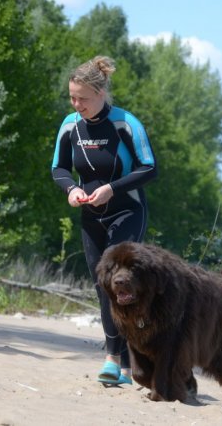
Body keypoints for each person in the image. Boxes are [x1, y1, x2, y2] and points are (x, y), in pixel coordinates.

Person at [51, 56, 157, 385]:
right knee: (102, 286)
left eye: (82, 97)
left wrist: (112, 188)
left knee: (121, 283)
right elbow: (59, 168)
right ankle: (118, 362)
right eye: (72, 97)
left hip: (127, 210)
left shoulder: (125, 124)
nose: (75, 103)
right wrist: (70, 189)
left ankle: (128, 360)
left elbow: (149, 167)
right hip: (91, 215)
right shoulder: (70, 125)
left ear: (100, 93)